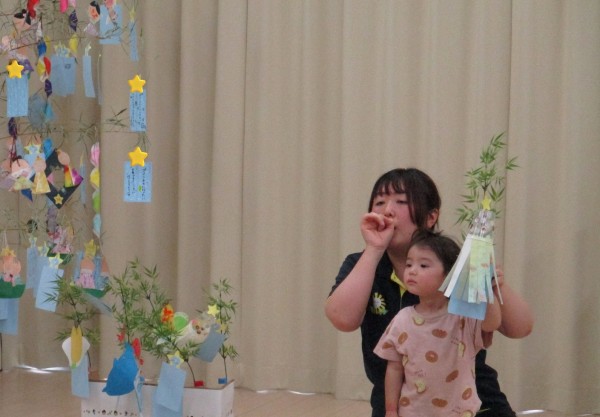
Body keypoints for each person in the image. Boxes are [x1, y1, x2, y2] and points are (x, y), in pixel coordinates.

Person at [325, 168, 533, 417]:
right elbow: (343, 319)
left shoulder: (453, 266)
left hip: (468, 399)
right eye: (379, 202)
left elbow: (520, 328)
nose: (387, 210)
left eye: (401, 201)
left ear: (431, 217)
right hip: (396, 401)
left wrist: (493, 284)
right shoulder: (363, 264)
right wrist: (374, 249)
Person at [373, 229, 501, 417]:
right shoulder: (402, 319)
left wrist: (487, 288)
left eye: (423, 265)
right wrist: (391, 410)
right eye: (409, 264)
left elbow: (492, 323)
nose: (412, 271)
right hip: (413, 412)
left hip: (459, 411)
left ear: (450, 275)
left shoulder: (462, 317)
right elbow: (394, 367)